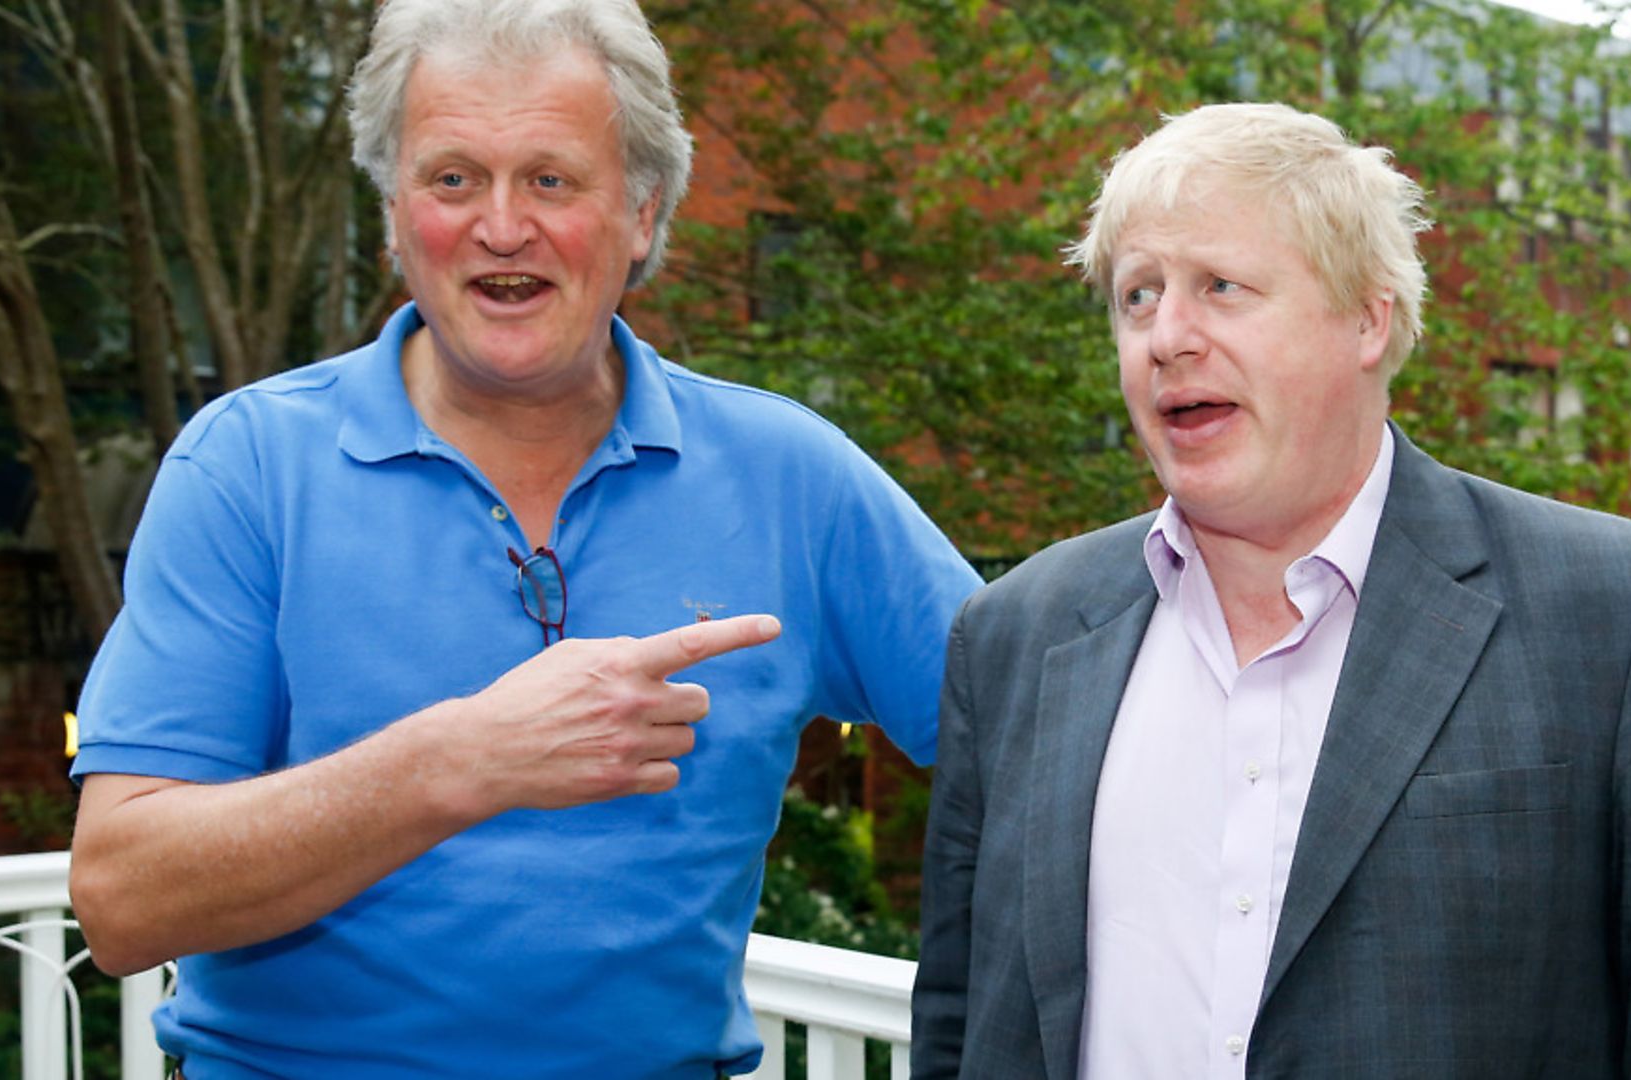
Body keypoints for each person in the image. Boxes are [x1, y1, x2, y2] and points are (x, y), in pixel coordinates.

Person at [67, 1, 980, 1075]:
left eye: (551, 179)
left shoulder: (793, 477)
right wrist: (462, 759)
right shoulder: (247, 468)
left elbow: (1045, 745)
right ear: (395, 218)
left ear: (643, 214)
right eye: (454, 179)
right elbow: (123, 901)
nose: (503, 226)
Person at [910, 102, 1631, 1078]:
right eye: (1137, 296)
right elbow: (961, 1024)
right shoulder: (1012, 638)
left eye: (1221, 286)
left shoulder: (1616, 614)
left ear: (1367, 319)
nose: (1167, 336)